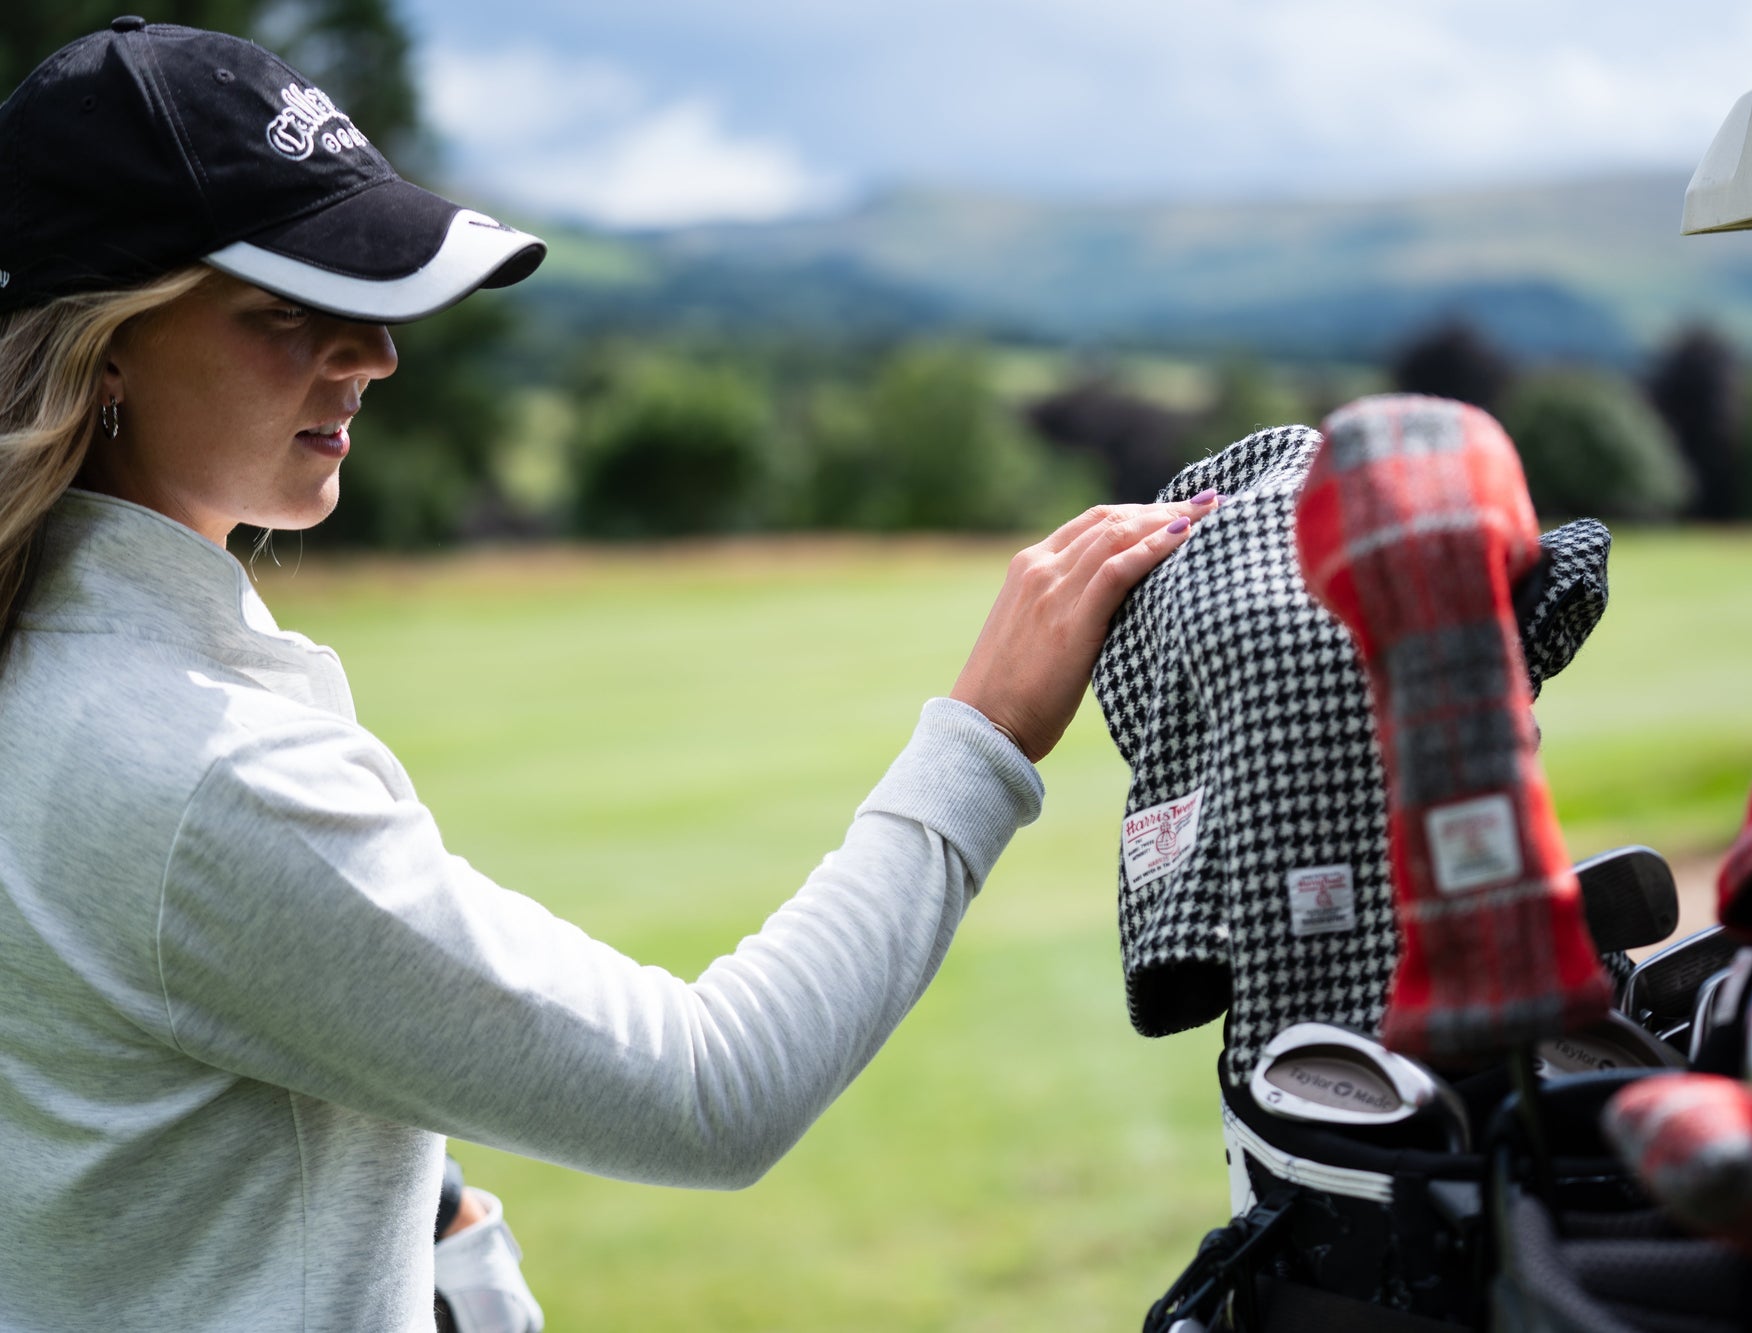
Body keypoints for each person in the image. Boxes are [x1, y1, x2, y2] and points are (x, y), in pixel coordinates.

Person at [0, 20, 1215, 1332]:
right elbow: (710, 1090)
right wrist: (986, 734)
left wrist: (436, 1212)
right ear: (104, 341)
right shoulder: (205, 773)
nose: (373, 353)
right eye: (286, 312)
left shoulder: (52, 673)